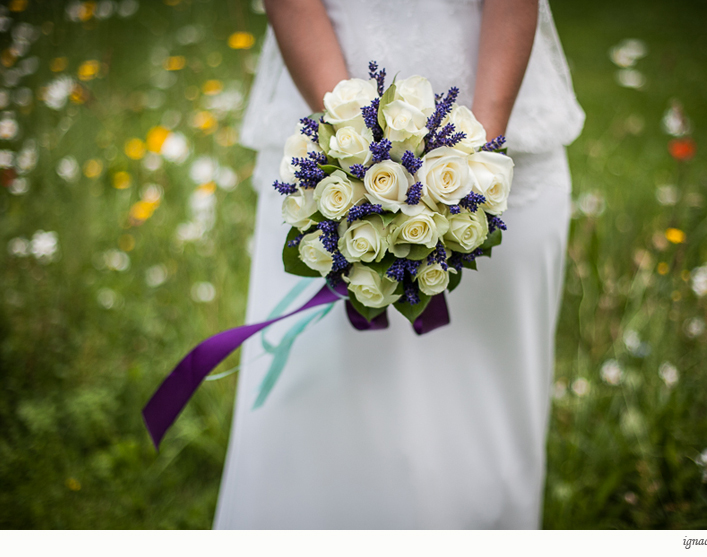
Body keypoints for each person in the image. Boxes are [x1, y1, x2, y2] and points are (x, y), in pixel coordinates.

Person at [214, 0, 584, 529]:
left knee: (482, 409)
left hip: (501, 96)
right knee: (323, 405)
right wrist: (349, 154)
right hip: (323, 99)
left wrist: (476, 170)